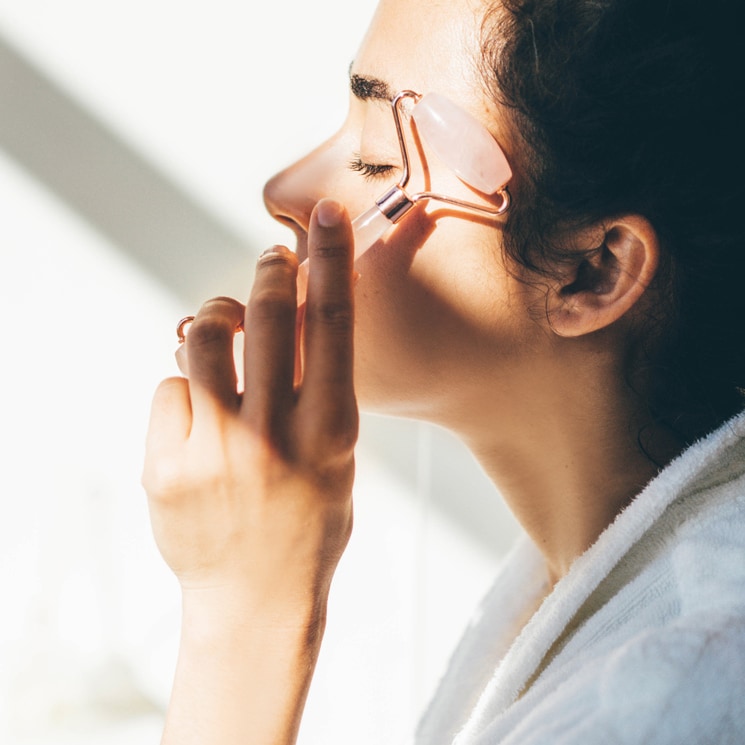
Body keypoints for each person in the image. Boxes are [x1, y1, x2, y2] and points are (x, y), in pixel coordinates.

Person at [142, 0, 745, 742]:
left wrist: (242, 617)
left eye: (374, 160)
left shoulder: (669, 702)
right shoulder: (593, 586)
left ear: (593, 271)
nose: (284, 191)